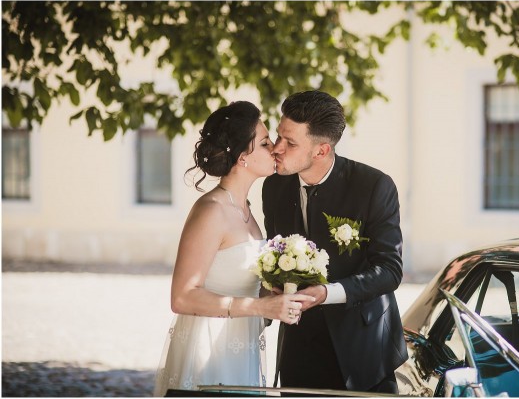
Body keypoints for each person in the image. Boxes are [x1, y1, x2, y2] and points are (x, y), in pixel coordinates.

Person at [154, 101, 315, 397]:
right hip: (207, 354)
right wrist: (259, 306)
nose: (276, 149)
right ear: (243, 158)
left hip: (242, 349)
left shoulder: (248, 210)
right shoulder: (211, 211)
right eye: (266, 143)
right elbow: (182, 296)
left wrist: (274, 295)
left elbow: (239, 280)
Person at [262, 90, 408, 393]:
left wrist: (326, 293)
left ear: (321, 150)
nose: (276, 148)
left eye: (290, 143)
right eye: (278, 136)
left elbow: (389, 270)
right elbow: (271, 252)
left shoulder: (373, 186)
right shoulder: (273, 187)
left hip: (364, 350)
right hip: (298, 350)